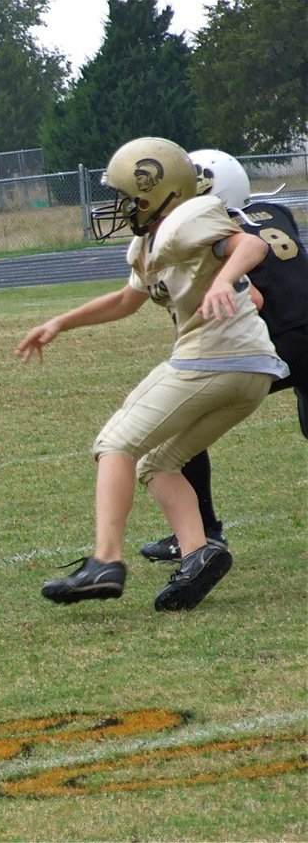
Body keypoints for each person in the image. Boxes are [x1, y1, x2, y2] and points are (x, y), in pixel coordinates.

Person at [15, 137, 288, 611]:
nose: (121, 207)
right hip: (250, 371)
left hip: (213, 358)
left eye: (129, 197)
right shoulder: (152, 242)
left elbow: (249, 243)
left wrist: (223, 282)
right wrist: (61, 322)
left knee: (115, 443)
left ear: (159, 193)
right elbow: (126, 301)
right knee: (156, 461)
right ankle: (199, 553)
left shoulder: (189, 218)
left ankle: (105, 560)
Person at [137, 148, 308, 563]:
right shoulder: (274, 212)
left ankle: (204, 533)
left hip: (285, 340)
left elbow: (255, 295)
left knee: (186, 418)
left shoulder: (211, 229)